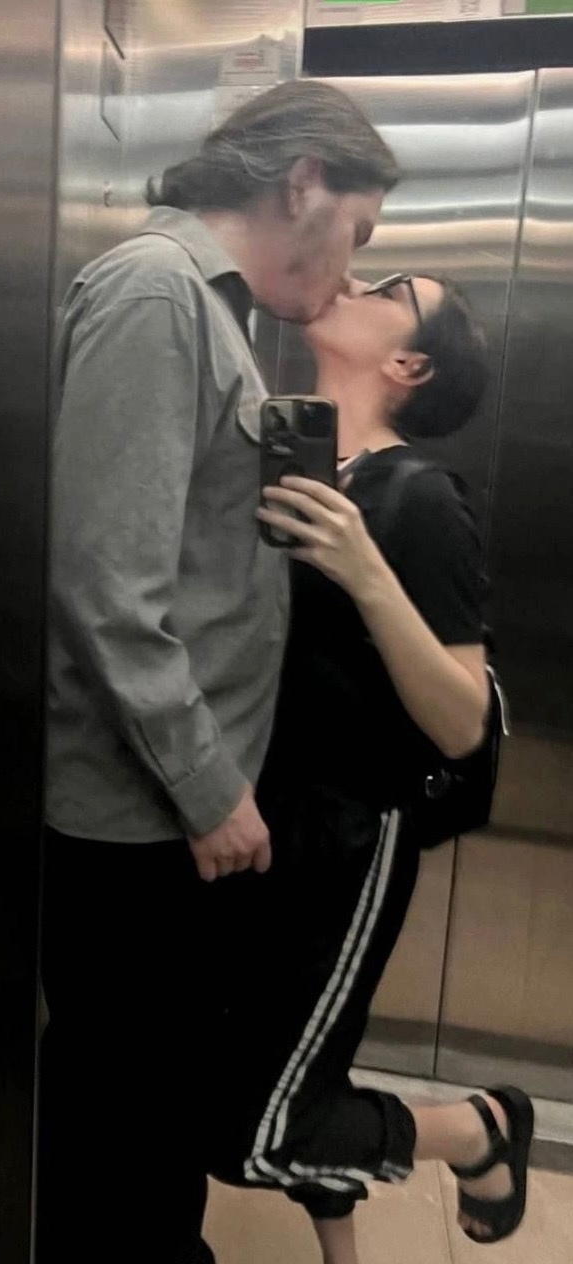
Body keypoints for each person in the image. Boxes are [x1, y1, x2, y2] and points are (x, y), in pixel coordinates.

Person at [38, 81, 398, 1264]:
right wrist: (208, 788)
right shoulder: (156, 297)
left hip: (168, 809)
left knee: (144, 1118)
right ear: (302, 184)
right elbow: (107, 582)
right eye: (355, 232)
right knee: (123, 1129)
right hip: (138, 817)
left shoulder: (207, 312)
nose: (349, 272)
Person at [208, 273, 534, 1264]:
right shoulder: (291, 457)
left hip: (346, 833)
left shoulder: (417, 497)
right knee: (286, 1068)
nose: (350, 280)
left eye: (388, 289)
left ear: (407, 363)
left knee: (250, 1130)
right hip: (253, 810)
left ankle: (475, 1127)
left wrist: (362, 568)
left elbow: (461, 720)